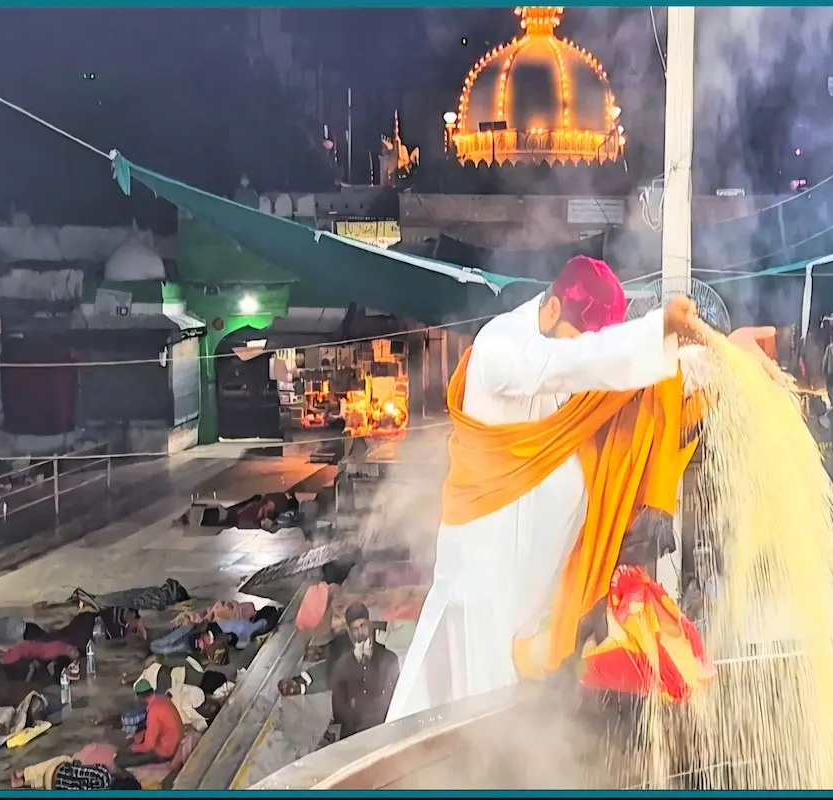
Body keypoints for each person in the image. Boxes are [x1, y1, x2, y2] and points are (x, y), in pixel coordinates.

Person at [385, 256, 775, 723]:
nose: (588, 379)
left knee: (523, 743)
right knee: (458, 747)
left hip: (539, 619)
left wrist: (726, 356)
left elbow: (643, 378)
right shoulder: (501, 350)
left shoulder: (579, 376)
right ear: (550, 311)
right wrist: (656, 333)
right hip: (477, 607)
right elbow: (572, 364)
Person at [330, 603, 400, 737]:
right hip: (355, 735)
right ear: (350, 632)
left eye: (363, 626)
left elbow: (395, 697)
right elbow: (338, 712)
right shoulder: (342, 666)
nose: (360, 632)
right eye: (355, 628)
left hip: (384, 730)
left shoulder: (388, 659)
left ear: (370, 625)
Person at [115, 684, 185, 768]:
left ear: (140, 697)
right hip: (177, 740)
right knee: (137, 737)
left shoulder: (154, 711)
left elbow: (148, 746)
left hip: (167, 751)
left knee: (120, 760)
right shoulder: (163, 698)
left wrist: (131, 749)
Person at [11, 757, 140, 790]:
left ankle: (24, 775)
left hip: (54, 773)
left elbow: (82, 769)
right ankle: (29, 784)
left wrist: (72, 762)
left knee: (64, 759)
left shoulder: (103, 774)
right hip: (52, 790)